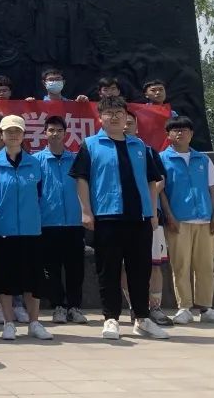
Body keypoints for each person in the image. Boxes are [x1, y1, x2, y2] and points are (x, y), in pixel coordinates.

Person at [70, 96, 169, 340]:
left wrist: (152, 212)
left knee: (140, 271)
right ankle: (111, 318)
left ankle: (142, 318)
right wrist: (86, 210)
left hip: (140, 217)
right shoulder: (91, 145)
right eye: (109, 113)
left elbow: (152, 182)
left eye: (119, 112)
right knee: (109, 270)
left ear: (126, 117)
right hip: (108, 217)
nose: (114, 117)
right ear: (100, 117)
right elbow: (82, 179)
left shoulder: (140, 146)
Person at [158, 116, 214, 325]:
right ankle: (184, 308)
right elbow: (161, 192)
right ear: (168, 135)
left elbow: (212, 189)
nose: (180, 133)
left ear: (191, 134)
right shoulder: (162, 159)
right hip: (179, 220)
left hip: (205, 220)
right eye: (175, 130)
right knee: (181, 265)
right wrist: (169, 216)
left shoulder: (203, 159)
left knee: (206, 266)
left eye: (184, 130)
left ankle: (206, 308)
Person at [0, 115, 52, 341]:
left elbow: (41, 194)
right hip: (3, 229)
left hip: (31, 230)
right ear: (1, 134)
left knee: (33, 279)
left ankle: (34, 323)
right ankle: (9, 323)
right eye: (9, 131)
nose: (13, 135)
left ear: (23, 135)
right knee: (5, 279)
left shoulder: (35, 163)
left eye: (17, 131)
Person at [36, 116, 87, 325]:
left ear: (65, 133)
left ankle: (74, 307)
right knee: (51, 268)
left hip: (74, 223)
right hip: (47, 223)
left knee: (76, 268)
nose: (55, 134)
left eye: (59, 130)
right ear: (44, 133)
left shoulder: (76, 159)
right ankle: (58, 306)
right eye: (51, 130)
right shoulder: (36, 160)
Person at [124, 111, 172, 326]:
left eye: (129, 123)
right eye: (122, 122)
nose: (125, 126)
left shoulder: (148, 151)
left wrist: (145, 195)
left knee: (153, 264)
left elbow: (159, 180)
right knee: (124, 265)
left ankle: (155, 307)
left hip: (150, 215)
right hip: (121, 216)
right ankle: (134, 307)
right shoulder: (107, 150)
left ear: (137, 127)